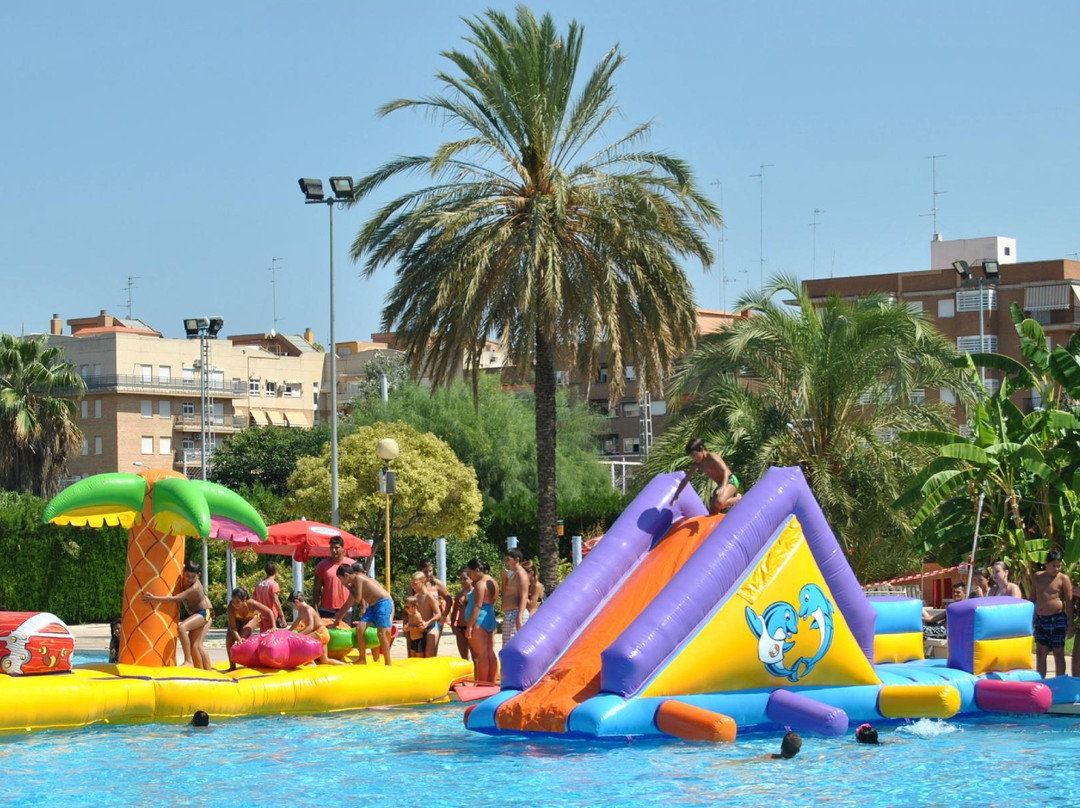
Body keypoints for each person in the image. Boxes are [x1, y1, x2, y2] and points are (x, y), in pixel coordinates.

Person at [142, 560, 213, 669]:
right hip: (197, 613)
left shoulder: (194, 588)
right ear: (184, 572)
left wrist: (153, 598)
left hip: (204, 613)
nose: (189, 579)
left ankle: (189, 661)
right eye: (187, 576)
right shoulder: (184, 573)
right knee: (194, 645)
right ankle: (201, 671)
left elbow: (174, 599)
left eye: (192, 577)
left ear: (198, 576)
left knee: (182, 628)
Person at [334, 564, 394, 666]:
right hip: (373, 606)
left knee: (381, 633)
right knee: (360, 628)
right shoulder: (354, 584)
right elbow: (349, 603)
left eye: (340, 579)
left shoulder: (358, 578)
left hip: (383, 603)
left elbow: (358, 598)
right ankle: (362, 659)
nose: (341, 582)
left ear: (346, 575)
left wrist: (347, 587)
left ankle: (388, 663)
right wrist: (337, 620)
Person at [672, 436, 742, 514]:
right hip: (721, 485)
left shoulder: (712, 457)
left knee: (719, 503)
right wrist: (676, 494)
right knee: (712, 512)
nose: (694, 459)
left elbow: (725, 470)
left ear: (701, 449)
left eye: (695, 455)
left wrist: (723, 487)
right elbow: (685, 480)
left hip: (730, 480)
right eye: (692, 457)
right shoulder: (696, 464)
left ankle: (738, 498)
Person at [1031, 550, 1074, 678]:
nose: (1056, 568)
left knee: (1058, 651)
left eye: (1059, 565)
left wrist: (1070, 625)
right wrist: (1029, 618)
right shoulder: (1038, 577)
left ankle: (1060, 681)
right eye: (1053, 565)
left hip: (1058, 619)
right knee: (1041, 651)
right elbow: (1032, 598)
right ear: (1046, 564)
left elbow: (1069, 602)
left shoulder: (1063, 579)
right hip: (1041, 619)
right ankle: (1041, 680)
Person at [465, 558, 499, 683]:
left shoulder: (480, 584)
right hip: (490, 617)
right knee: (490, 652)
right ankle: (491, 681)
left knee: (482, 655)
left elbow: (477, 606)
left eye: (470, 572)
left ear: (478, 570)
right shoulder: (493, 581)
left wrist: (469, 626)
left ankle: (483, 683)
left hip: (479, 621)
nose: (469, 575)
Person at [288, 591, 343, 666]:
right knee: (325, 660)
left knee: (302, 641)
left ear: (296, 601)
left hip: (320, 633)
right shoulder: (301, 611)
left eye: (291, 604)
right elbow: (296, 623)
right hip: (320, 634)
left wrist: (299, 636)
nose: (293, 607)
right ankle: (347, 665)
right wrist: (288, 631)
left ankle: (311, 661)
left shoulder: (308, 609)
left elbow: (310, 626)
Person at [226, 587, 275, 671]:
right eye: (233, 602)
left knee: (242, 640)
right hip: (237, 620)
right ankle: (232, 666)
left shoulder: (251, 603)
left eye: (238, 602)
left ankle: (248, 662)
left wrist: (273, 626)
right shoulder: (231, 607)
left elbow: (269, 611)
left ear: (244, 600)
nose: (235, 604)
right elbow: (233, 627)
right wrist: (237, 638)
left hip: (251, 619)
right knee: (229, 640)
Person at [312, 536, 357, 621]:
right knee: (325, 634)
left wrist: (362, 607)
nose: (334, 550)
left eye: (337, 548)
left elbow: (359, 587)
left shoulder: (352, 565)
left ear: (343, 548)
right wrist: (315, 608)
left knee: (345, 633)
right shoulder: (322, 565)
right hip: (326, 609)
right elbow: (316, 588)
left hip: (346, 609)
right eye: (331, 548)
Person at [409, 571, 442, 657]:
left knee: (429, 654)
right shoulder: (415, 598)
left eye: (415, 583)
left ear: (423, 581)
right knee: (415, 654)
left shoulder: (429, 597)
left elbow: (438, 614)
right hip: (420, 628)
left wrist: (427, 623)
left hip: (431, 626)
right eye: (411, 583)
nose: (413, 585)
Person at [500, 549, 530, 646]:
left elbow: (524, 596)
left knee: (512, 646)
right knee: (507, 646)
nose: (506, 563)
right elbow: (505, 593)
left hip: (516, 613)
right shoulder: (513, 574)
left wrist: (519, 617)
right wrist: (504, 578)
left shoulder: (521, 574)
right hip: (511, 613)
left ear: (517, 560)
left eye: (508, 560)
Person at [419, 559, 454, 629]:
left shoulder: (436, 583)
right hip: (420, 620)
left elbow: (449, 599)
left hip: (435, 620)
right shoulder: (416, 585)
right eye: (425, 572)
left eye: (430, 571)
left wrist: (444, 615)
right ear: (420, 571)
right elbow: (409, 602)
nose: (428, 574)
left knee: (432, 639)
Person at [253, 561, 287, 632]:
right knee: (271, 638)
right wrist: (282, 617)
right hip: (271, 616)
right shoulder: (273, 584)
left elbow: (254, 600)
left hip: (261, 616)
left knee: (263, 636)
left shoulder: (258, 584)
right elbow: (276, 602)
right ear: (276, 571)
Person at [448, 569, 473, 661]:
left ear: (471, 579)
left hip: (471, 628)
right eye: (461, 579)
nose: (462, 581)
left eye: (465, 578)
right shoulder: (459, 595)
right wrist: (452, 625)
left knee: (475, 656)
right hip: (460, 627)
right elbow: (454, 612)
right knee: (464, 657)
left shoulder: (476, 593)